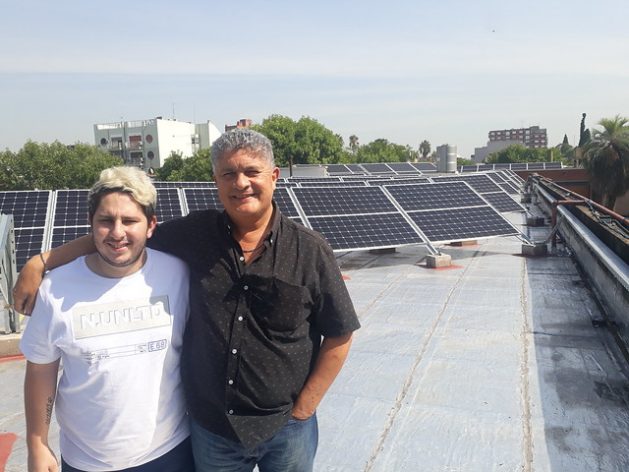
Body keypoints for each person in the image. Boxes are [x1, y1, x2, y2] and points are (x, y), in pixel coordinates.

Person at [15, 129, 360, 472]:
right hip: (213, 431)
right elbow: (124, 234)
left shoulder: (310, 250)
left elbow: (340, 332)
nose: (240, 183)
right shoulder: (194, 235)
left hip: (287, 428)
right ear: (216, 181)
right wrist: (43, 261)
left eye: (251, 172)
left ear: (273, 176)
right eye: (229, 174)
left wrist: (305, 408)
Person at [19, 167, 194, 472]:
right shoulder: (55, 290)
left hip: (170, 453)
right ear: (91, 224)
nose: (117, 232)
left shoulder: (178, 274)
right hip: (86, 462)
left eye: (129, 221)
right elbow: (40, 371)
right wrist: (37, 443)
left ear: (151, 225)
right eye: (105, 221)